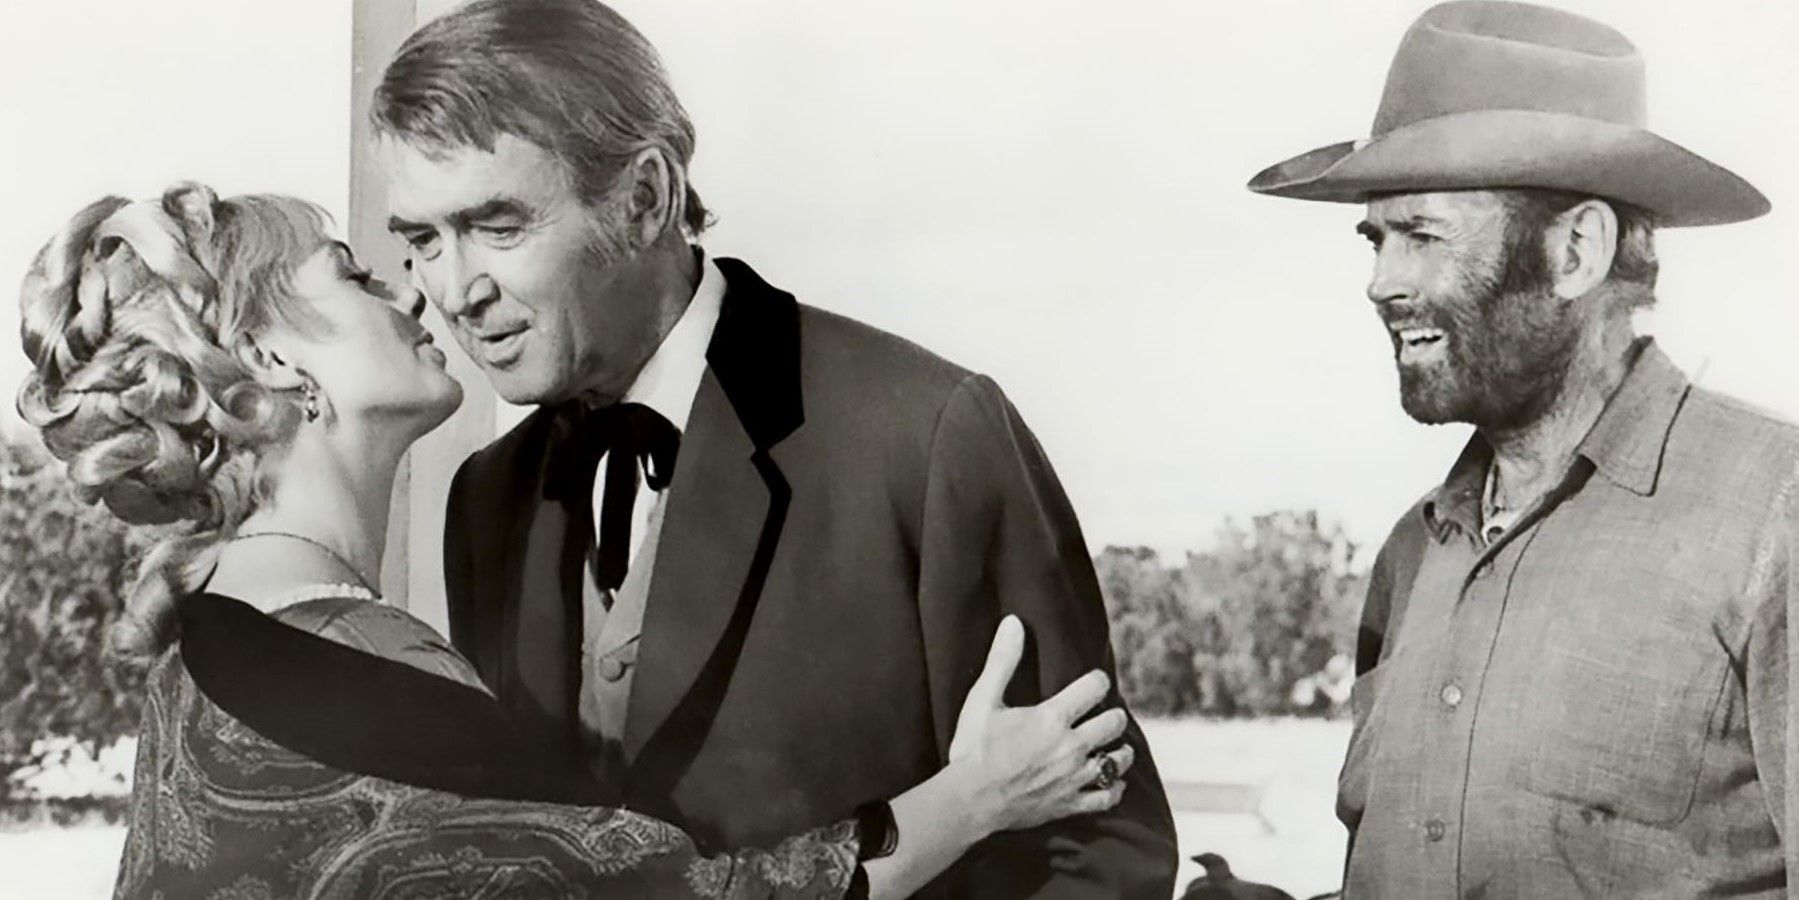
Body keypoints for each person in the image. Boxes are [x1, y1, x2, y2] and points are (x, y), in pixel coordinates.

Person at [15, 184, 1139, 899]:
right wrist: (978, 795)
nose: (423, 296)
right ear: (270, 363)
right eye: (357, 275)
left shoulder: (227, 632)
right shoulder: (349, 672)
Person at [372, 1, 1178, 896]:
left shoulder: (926, 433)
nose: (454, 289)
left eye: (496, 225)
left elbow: (1099, 855)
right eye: (421, 240)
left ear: (644, 198)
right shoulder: (488, 494)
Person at [1248, 1, 1799, 896]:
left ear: (1575, 249)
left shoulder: (1777, 514)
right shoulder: (1410, 556)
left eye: (1422, 237)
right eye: (1374, 240)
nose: (1380, 283)